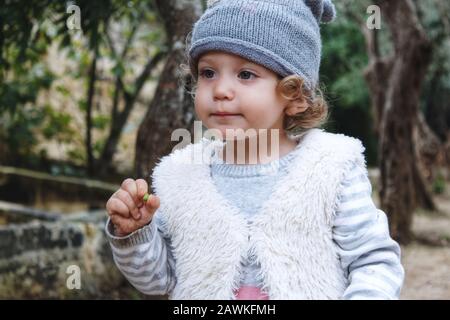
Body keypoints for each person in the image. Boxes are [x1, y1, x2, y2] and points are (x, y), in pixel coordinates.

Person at [105, 0, 405, 300]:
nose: (220, 90)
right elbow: (160, 281)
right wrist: (135, 234)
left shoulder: (331, 168)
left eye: (245, 74)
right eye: (208, 73)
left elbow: (373, 261)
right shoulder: (180, 176)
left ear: (295, 95)